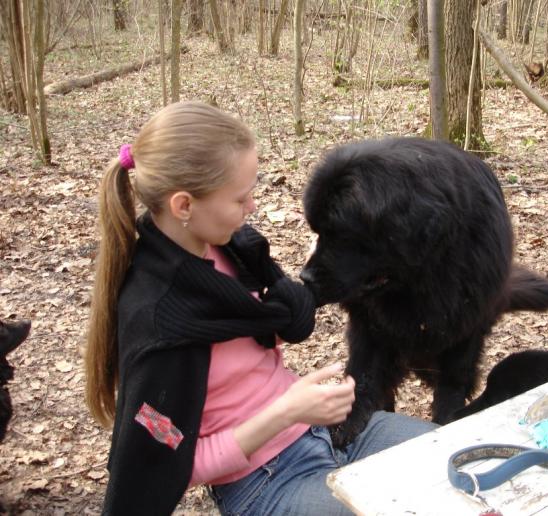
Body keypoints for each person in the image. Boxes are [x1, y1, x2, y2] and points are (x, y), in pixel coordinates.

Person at [84, 100, 437, 515]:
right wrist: (287, 411)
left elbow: (280, 316)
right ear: (184, 206)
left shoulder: (229, 249)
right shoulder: (158, 319)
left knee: (454, 458)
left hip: (326, 431)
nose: (252, 207)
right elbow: (173, 465)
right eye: (240, 198)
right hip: (265, 480)